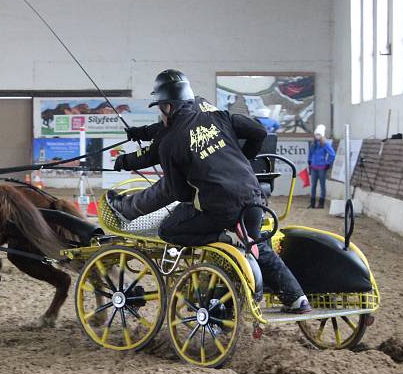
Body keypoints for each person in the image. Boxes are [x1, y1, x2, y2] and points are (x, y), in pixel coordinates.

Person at [108, 69, 310, 313]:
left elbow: (178, 193)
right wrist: (244, 159)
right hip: (254, 198)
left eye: (160, 107)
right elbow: (259, 132)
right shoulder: (214, 114)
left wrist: (128, 169)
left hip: (220, 210)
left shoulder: (171, 142)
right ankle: (297, 298)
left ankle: (227, 238)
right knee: (259, 245)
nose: (160, 113)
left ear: (168, 107)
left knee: (169, 229)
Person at [307, 124, 336, 209]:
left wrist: (328, 163)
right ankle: (312, 203)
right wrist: (309, 161)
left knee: (322, 186)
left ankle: (321, 203)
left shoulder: (325, 144)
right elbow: (310, 153)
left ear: (322, 135)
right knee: (313, 186)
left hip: (322, 168)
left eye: (319, 134)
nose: (317, 136)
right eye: (316, 134)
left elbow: (332, 154)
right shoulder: (313, 144)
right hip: (314, 167)